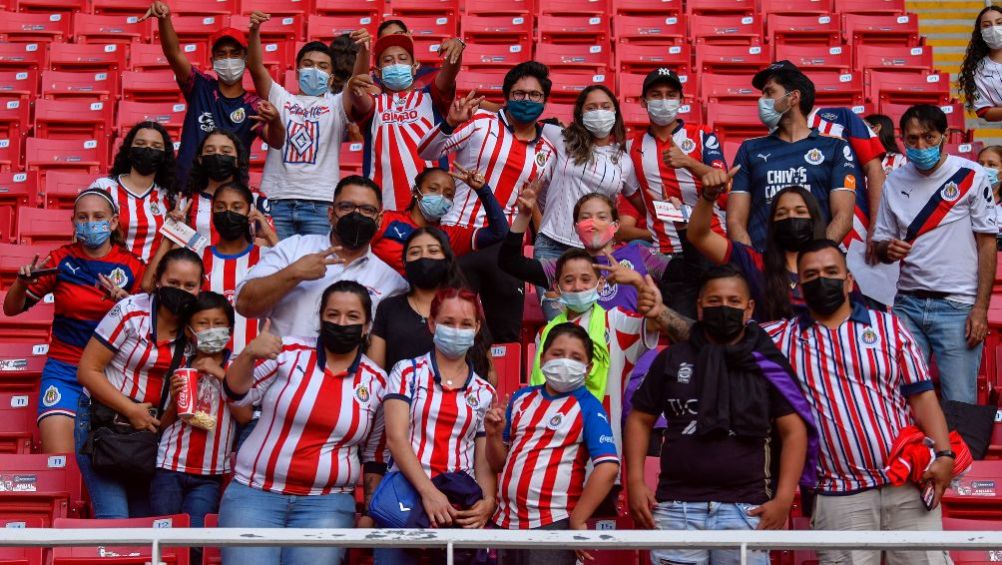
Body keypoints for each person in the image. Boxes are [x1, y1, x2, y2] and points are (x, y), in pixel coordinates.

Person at [764, 239, 956, 565]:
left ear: (849, 281)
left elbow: (922, 396)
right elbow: (723, 337)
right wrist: (658, 312)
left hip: (907, 484)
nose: (822, 279)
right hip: (839, 494)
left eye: (830, 272)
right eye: (811, 274)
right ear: (799, 285)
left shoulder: (888, 327)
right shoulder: (780, 339)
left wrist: (944, 453)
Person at [625, 266, 814, 565]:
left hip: (746, 509)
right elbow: (640, 418)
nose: (723, 308)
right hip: (677, 509)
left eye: (733, 301)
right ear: (699, 307)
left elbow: (793, 431)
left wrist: (784, 497)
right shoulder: (672, 358)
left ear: (749, 307)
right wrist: (635, 480)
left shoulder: (767, 364)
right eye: (714, 301)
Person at [220, 280, 389, 565]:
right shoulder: (287, 352)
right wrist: (250, 353)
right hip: (255, 495)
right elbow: (235, 395)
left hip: (327, 505)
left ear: (366, 326)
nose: (341, 323)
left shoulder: (377, 383)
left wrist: (370, 513)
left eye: (352, 317)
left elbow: (374, 457)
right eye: (333, 315)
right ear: (320, 318)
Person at [417, 60, 558, 342]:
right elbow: (426, 151)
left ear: (544, 101)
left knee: (504, 333)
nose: (526, 100)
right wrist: (449, 124)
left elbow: (538, 206)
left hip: (505, 249)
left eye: (534, 95)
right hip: (459, 236)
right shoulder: (481, 122)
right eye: (519, 94)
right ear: (506, 96)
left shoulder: (549, 152)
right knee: (450, 321)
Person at [2, 189, 144, 454]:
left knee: (113, 463)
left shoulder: (133, 266)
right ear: (74, 223)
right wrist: (21, 284)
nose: (90, 223)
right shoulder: (60, 260)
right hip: (65, 371)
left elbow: (149, 329)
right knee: (60, 462)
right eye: (83, 217)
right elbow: (10, 309)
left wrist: (125, 305)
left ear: (113, 222)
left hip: (113, 375)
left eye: (98, 216)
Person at [873, 104, 998, 404]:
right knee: (902, 397)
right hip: (907, 305)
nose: (920, 146)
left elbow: (987, 244)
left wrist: (980, 309)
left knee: (959, 401)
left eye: (928, 137)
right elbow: (880, 242)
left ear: (944, 135)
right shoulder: (894, 180)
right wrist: (886, 249)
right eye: (912, 139)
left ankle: (961, 454)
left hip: (957, 307)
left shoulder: (972, 175)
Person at [75, 248, 203, 518]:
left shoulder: (196, 330)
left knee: (145, 525)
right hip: (104, 424)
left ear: (200, 287)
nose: (181, 290)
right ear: (157, 280)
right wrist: (131, 410)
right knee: (115, 520)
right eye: (173, 283)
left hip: (149, 435)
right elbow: (87, 370)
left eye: (189, 285)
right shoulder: (130, 312)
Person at [379, 287, 497, 565]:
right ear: (432, 324)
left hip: (458, 507)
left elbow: (481, 458)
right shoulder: (406, 372)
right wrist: (430, 494)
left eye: (466, 324)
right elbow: (396, 438)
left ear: (477, 328)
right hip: (405, 501)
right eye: (448, 322)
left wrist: (488, 500)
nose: (457, 330)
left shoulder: (483, 391)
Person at [487, 323, 619, 565]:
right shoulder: (520, 398)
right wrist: (493, 435)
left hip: (552, 523)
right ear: (542, 357)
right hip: (504, 521)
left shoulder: (588, 407)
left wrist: (578, 519)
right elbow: (498, 464)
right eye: (557, 354)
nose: (565, 362)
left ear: (588, 369)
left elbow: (608, 467)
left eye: (576, 357)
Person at [711, 62, 862, 252]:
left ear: (794, 97)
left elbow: (843, 217)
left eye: (769, 92)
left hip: (816, 269)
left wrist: (814, 260)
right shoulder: (749, 149)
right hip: (764, 268)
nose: (761, 100)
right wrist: (753, 264)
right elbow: (735, 221)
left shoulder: (836, 147)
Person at [235, 175, 408, 338]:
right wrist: (293, 273)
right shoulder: (293, 249)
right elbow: (245, 305)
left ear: (379, 220)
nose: (356, 215)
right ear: (331, 215)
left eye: (367, 210)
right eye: (346, 207)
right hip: (282, 367)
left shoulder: (391, 282)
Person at [152, 292, 252, 564]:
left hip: (210, 473)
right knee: (164, 540)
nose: (211, 331)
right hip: (169, 467)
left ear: (230, 331)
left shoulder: (237, 368)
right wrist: (175, 398)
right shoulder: (179, 364)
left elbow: (244, 416)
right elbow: (163, 424)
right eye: (203, 324)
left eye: (218, 324)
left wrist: (220, 374)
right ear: (189, 331)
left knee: (195, 544)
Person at [142, 2, 284, 187]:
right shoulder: (199, 86)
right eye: (221, 54)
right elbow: (173, 53)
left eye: (235, 54)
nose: (228, 59)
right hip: (187, 189)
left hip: (229, 198)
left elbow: (276, 141)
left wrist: (275, 121)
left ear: (245, 59)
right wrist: (165, 19)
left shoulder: (253, 105)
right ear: (212, 60)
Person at [247, 11, 363, 239]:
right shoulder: (280, 97)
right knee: (274, 265)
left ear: (331, 76)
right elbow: (254, 66)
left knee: (317, 270)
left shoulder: (337, 104)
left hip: (320, 203)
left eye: (322, 66)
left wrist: (364, 50)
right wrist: (254, 32)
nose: (314, 70)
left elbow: (359, 80)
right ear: (297, 70)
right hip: (275, 199)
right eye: (308, 64)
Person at [500, 187, 669, 314]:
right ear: (576, 228)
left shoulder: (640, 253)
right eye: (585, 218)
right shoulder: (566, 265)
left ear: (616, 225)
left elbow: (687, 273)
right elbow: (509, 262)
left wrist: (676, 222)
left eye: (602, 217)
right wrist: (524, 216)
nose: (593, 223)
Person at [345, 32, 462, 211]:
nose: (396, 64)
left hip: (432, 207)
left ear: (414, 67)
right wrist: (362, 54)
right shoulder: (374, 104)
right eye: (388, 60)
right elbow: (358, 90)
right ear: (377, 72)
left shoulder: (432, 98)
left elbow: (449, 75)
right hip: (384, 208)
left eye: (402, 59)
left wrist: (457, 48)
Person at [625, 67, 727, 256]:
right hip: (665, 251)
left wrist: (688, 162)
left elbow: (724, 182)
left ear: (681, 100)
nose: (664, 101)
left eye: (670, 95)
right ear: (643, 102)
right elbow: (636, 197)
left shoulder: (703, 135)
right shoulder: (631, 146)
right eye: (656, 95)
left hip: (711, 242)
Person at [688, 183, 827, 321]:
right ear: (773, 224)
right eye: (781, 213)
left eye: (800, 212)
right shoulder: (752, 262)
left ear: (814, 220)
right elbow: (699, 236)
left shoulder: (833, 269)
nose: (791, 217)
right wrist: (708, 196)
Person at [370, 165, 507, 275]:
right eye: (433, 189)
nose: (441, 197)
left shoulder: (451, 235)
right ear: (416, 191)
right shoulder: (387, 219)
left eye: (448, 195)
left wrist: (483, 190)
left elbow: (500, 233)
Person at [369, 228, 466, 371]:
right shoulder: (388, 308)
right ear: (404, 262)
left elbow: (488, 371)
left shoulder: (465, 307)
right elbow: (374, 372)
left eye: (433, 251)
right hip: (397, 392)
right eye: (415, 252)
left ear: (447, 260)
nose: (424, 257)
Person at [88, 121, 176, 263]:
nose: (148, 149)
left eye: (156, 146)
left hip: (152, 281)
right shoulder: (103, 187)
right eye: (141, 144)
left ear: (164, 156)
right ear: (129, 151)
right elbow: (84, 233)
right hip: (106, 275)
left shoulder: (171, 197)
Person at [180, 129, 271, 245]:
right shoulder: (186, 201)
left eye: (226, 151)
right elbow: (179, 250)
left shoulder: (256, 199)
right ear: (200, 160)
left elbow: (266, 246)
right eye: (210, 150)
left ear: (237, 161)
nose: (217, 155)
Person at [959, 5, 1002, 122]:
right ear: (980, 33)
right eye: (987, 25)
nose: (994, 29)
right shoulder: (978, 71)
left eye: (999, 23)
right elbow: (984, 111)